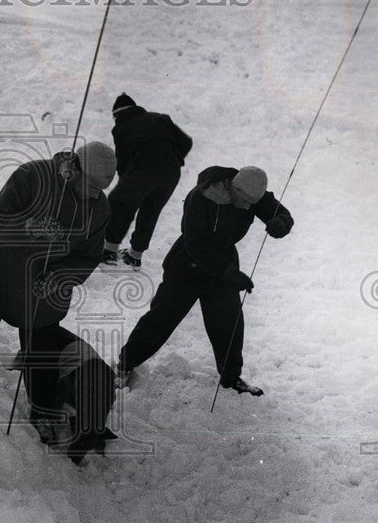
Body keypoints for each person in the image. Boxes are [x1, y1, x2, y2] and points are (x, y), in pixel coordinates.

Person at [0, 142, 116, 427]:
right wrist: (30, 226)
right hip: (0, 272)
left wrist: (61, 277)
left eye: (98, 190)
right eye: (90, 187)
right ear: (74, 168)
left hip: (42, 288)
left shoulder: (99, 206)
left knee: (42, 351)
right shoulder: (33, 175)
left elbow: (88, 256)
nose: (94, 195)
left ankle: (42, 410)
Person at [115, 165, 293, 395]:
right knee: (161, 319)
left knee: (229, 325)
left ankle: (231, 378)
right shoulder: (200, 197)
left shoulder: (250, 191)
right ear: (232, 187)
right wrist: (229, 274)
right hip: (187, 266)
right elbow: (195, 243)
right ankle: (125, 364)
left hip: (223, 263)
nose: (249, 207)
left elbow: (278, 211)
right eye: (245, 201)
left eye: (253, 203)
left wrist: (283, 222)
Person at [102, 93, 193, 270]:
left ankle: (109, 253)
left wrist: (127, 183)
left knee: (119, 203)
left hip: (143, 170)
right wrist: (172, 158)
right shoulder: (160, 118)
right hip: (171, 173)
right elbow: (186, 142)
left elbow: (122, 161)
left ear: (117, 114)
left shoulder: (122, 125)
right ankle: (135, 256)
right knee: (151, 211)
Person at [10, 326, 119, 465]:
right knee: (45, 389)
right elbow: (58, 395)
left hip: (77, 353)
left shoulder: (106, 393)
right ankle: (40, 415)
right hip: (59, 344)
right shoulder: (73, 385)